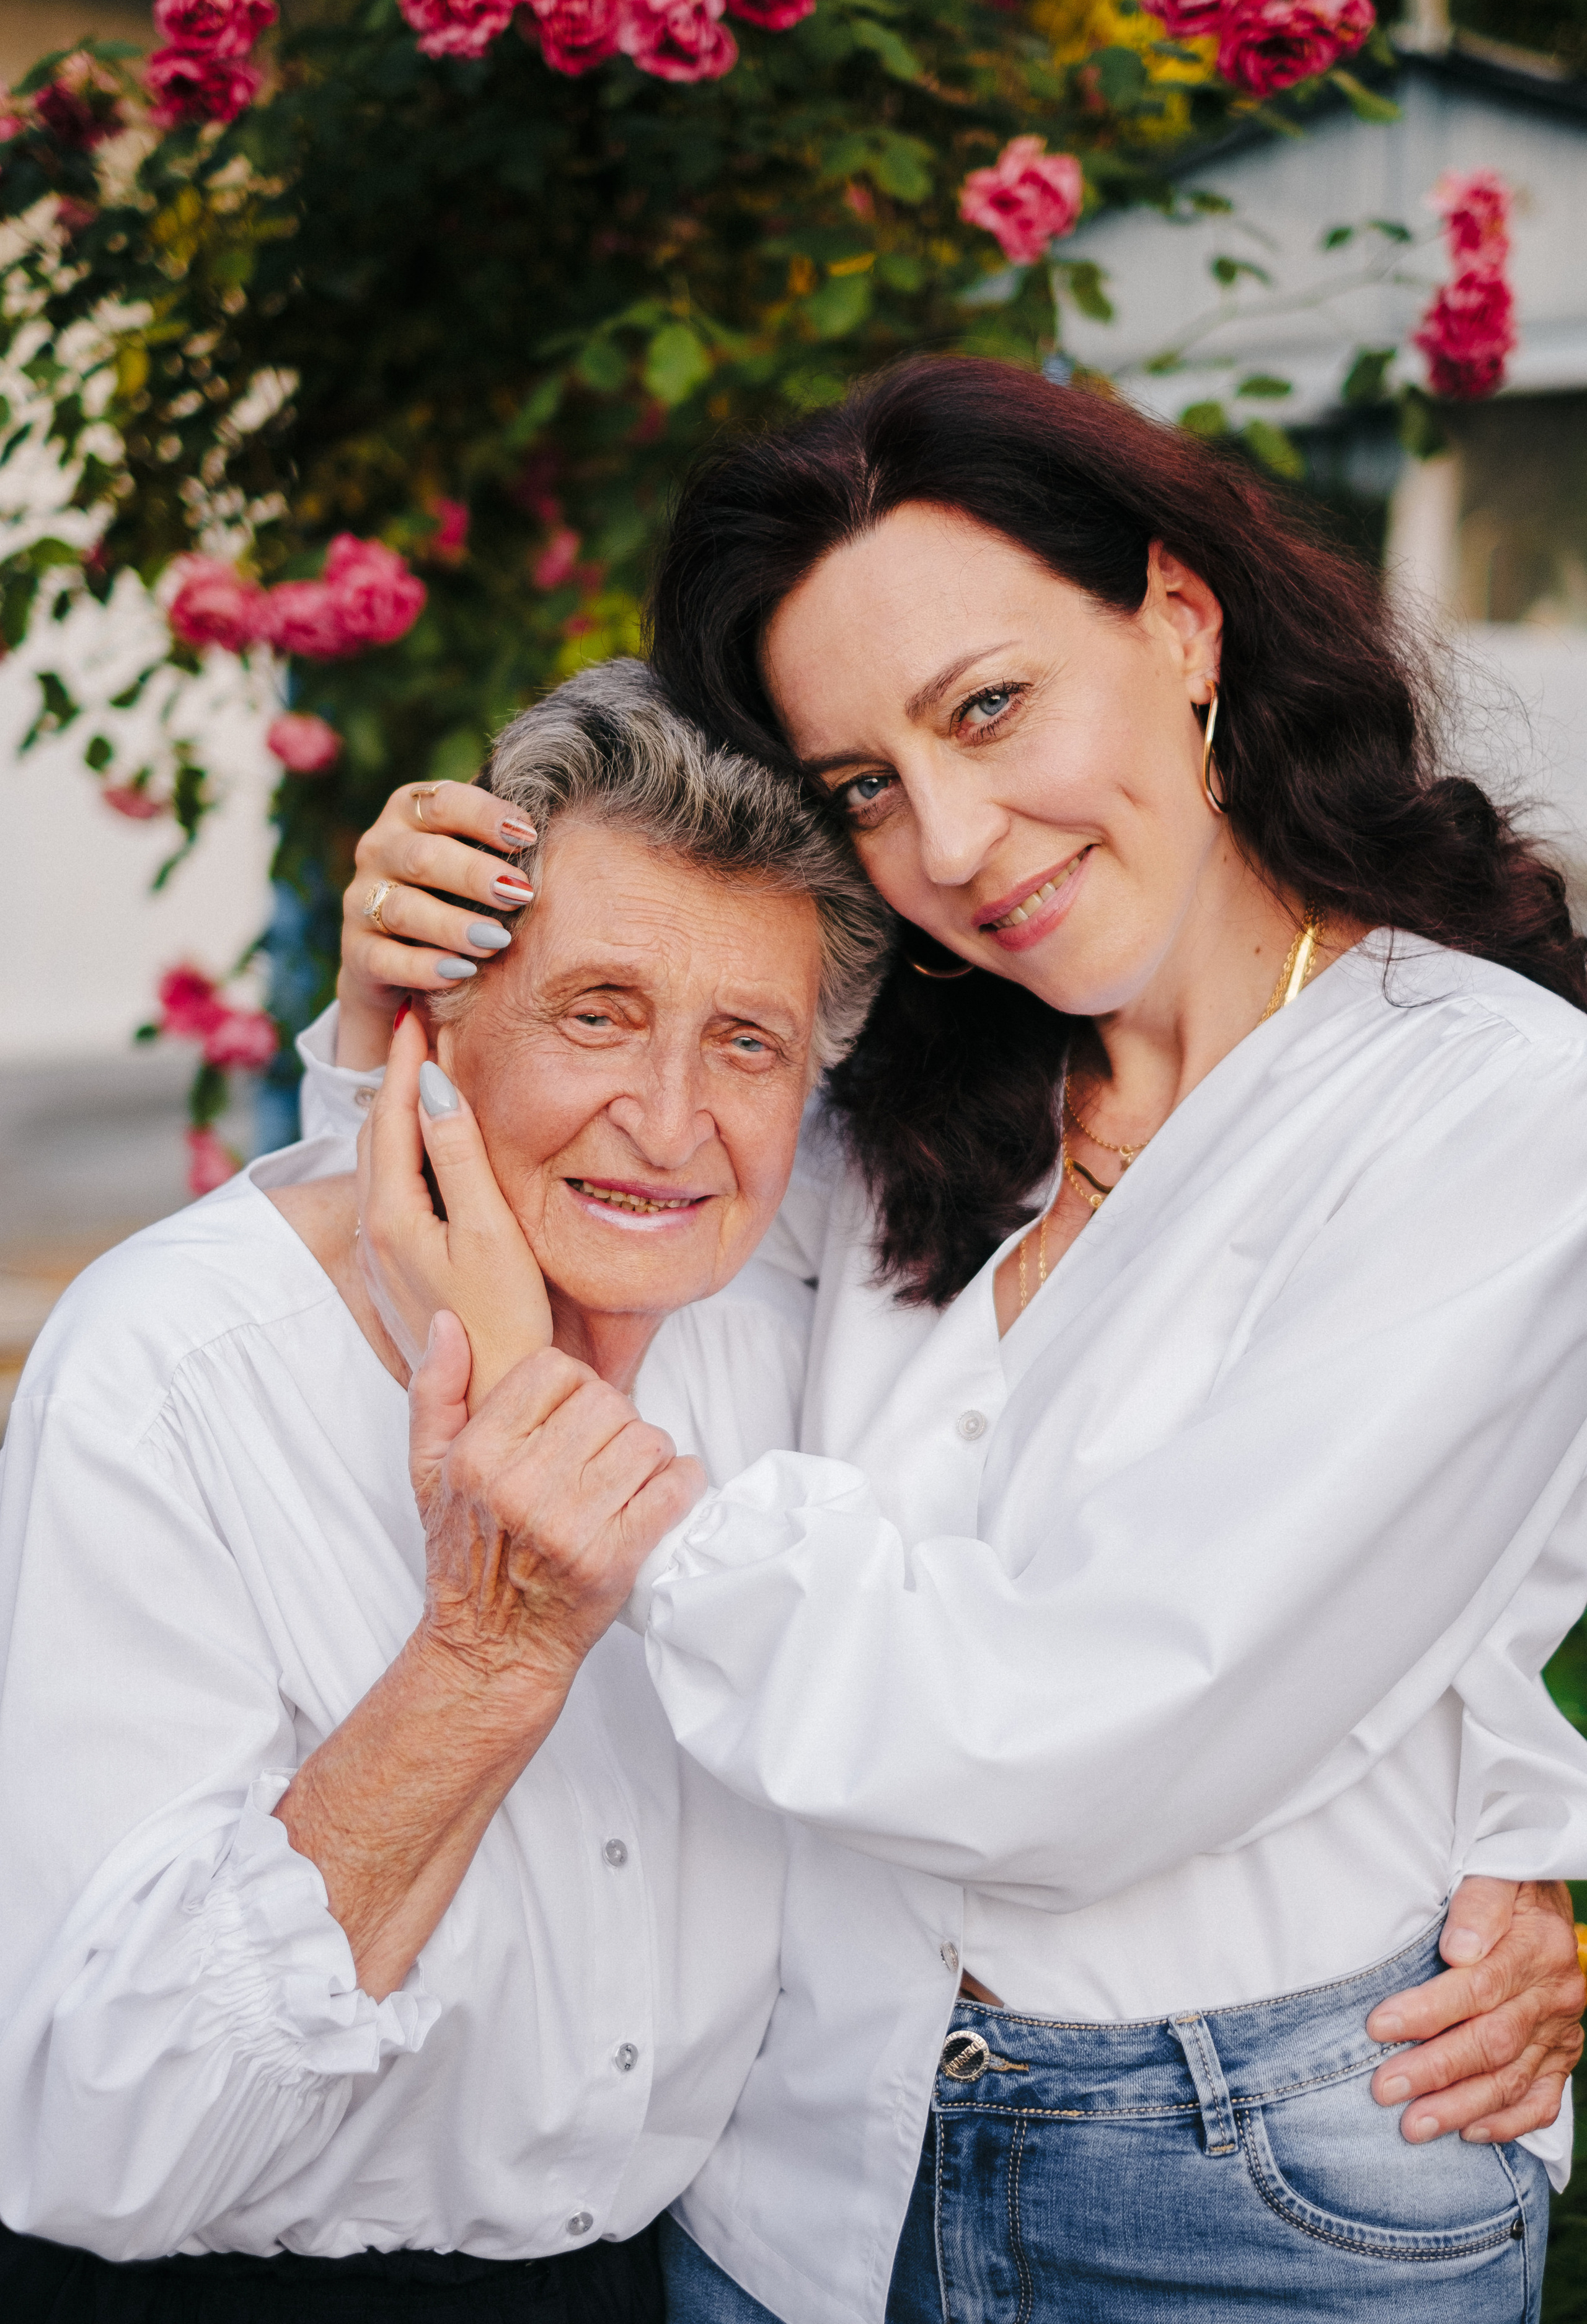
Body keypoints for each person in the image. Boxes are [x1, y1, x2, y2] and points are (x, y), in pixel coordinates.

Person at [324, 357, 1587, 2323]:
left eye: (989, 707)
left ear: (1180, 621)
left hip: (1237, 2193)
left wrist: (586, 1471)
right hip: (797, 2165)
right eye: (865, 788)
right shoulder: (892, 1098)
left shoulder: (1485, 1109)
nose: (959, 839)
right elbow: (533, 1261)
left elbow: (1090, 1732)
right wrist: (391, 1023)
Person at [0, 661, 890, 2322]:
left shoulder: (789, 1329)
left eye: (748, 1044)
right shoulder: (176, 1365)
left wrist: (1498, 1833)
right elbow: (95, 2133)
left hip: (650, 2284)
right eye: (598, 1013)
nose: (671, 1122)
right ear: (432, 1024)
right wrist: (490, 1653)